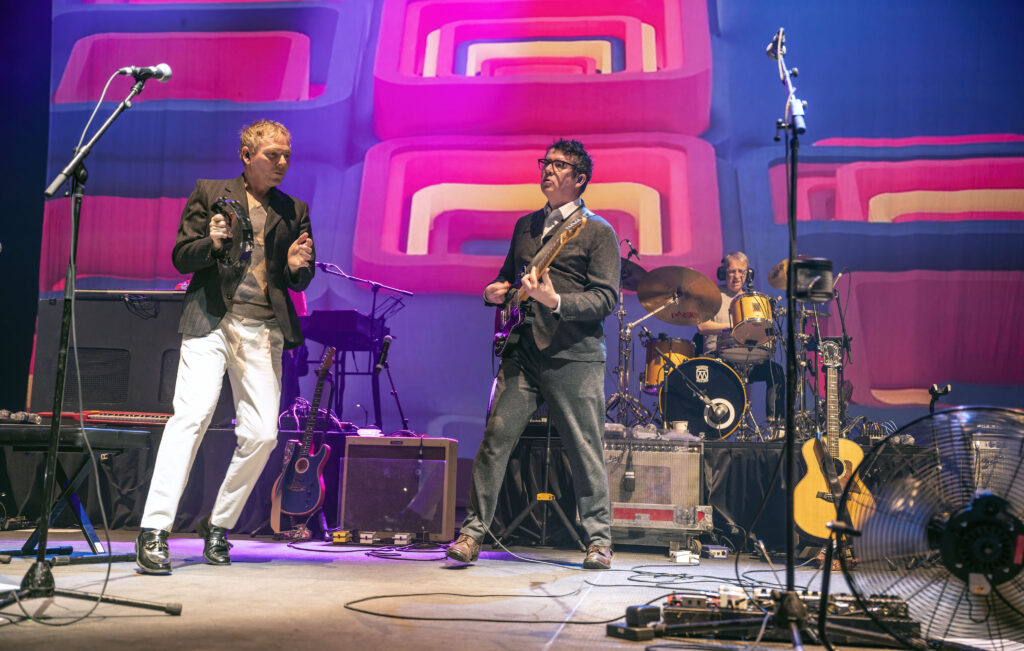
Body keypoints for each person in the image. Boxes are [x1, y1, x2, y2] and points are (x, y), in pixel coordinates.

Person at [135, 119, 315, 574]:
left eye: (286, 155)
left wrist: (298, 267)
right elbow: (182, 255)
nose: (281, 162)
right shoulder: (211, 193)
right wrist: (212, 244)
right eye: (272, 154)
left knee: (263, 435)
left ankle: (219, 525)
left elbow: (297, 277)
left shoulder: (294, 209)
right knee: (191, 417)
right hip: (213, 321)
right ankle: (154, 529)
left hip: (262, 330)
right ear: (246, 155)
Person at [446, 140, 619, 570]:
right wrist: (493, 292)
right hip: (523, 352)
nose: (548, 169)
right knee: (495, 440)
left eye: (559, 165)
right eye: (546, 162)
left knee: (584, 448)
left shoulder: (598, 231)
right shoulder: (525, 225)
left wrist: (556, 301)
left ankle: (599, 541)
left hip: (573, 355)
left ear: (580, 179)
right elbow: (508, 279)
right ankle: (471, 534)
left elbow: (605, 299)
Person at [696, 251, 784, 421]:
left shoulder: (752, 300)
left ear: (748, 274)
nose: (737, 276)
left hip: (746, 359)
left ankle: (776, 424)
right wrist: (733, 328)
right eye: (732, 271)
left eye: (741, 271)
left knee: (776, 372)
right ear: (723, 273)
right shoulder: (712, 296)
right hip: (718, 359)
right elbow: (702, 326)